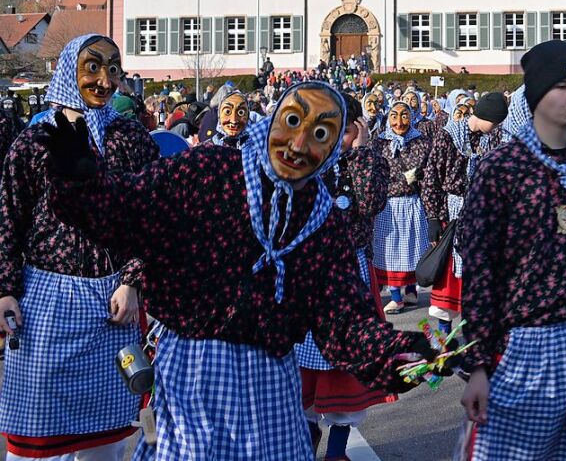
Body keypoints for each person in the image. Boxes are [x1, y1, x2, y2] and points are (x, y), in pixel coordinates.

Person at [38, 81, 438, 459]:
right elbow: (127, 213)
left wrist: (395, 355)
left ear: (333, 149)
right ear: (273, 119)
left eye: (320, 135)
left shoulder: (321, 222)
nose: (299, 144)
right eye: (293, 121)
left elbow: (344, 322)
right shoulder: (207, 170)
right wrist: (81, 182)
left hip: (270, 382)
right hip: (192, 372)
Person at [458, 40, 566, 460]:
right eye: (562, 85)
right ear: (536, 94)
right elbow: (480, 270)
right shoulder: (502, 169)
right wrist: (479, 363)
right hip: (527, 347)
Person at [0, 35, 159, 461]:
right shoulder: (35, 141)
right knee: (37, 441)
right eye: (93, 68)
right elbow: (8, 220)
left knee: (104, 445)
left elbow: (152, 216)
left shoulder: (130, 138)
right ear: (70, 69)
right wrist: (5, 289)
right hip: (46, 302)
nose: (105, 80)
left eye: (112, 69)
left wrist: (132, 281)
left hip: (112, 305)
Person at [295, 94, 391, 461]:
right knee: (302, 371)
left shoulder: (366, 161)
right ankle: (304, 443)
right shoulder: (306, 161)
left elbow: (371, 203)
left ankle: (336, 451)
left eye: (347, 131)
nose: (339, 139)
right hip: (308, 277)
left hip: (350, 273)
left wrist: (363, 152)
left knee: (344, 371)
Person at [423, 92, 507, 334]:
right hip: (452, 214)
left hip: (482, 216)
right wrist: (432, 217)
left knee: (477, 287)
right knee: (447, 288)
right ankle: (443, 345)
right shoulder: (448, 136)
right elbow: (432, 178)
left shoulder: (493, 137)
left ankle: (474, 343)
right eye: (496, 121)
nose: (497, 126)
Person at [373, 100, 435, 314]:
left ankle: (410, 291)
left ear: (412, 116)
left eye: (404, 115)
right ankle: (396, 295)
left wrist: (405, 177)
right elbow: (376, 172)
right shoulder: (379, 142)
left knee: (410, 248)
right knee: (389, 251)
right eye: (394, 116)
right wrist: (405, 177)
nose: (399, 121)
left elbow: (425, 170)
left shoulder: (421, 141)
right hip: (387, 205)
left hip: (411, 203)